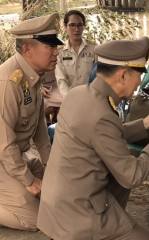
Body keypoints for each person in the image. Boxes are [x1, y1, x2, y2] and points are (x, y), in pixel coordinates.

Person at [37, 36, 149, 240]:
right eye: (138, 74)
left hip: (56, 207)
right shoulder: (103, 114)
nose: (139, 83)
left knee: (124, 154)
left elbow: (102, 136)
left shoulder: (78, 94)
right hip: (79, 215)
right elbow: (132, 176)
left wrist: (145, 123)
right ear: (122, 76)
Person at [0, 13, 64, 231]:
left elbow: (40, 133)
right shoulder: (8, 82)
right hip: (3, 157)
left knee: (53, 189)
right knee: (35, 221)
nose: (56, 52)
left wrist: (50, 165)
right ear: (27, 50)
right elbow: (4, 143)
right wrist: (28, 180)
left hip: (17, 155)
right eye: (49, 47)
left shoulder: (33, 77)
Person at [55, 9, 96, 97]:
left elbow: (99, 75)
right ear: (65, 27)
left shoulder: (93, 48)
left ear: (83, 26)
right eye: (72, 25)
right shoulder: (60, 52)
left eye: (79, 25)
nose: (76, 29)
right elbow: (61, 80)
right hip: (69, 96)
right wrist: (70, 100)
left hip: (91, 95)